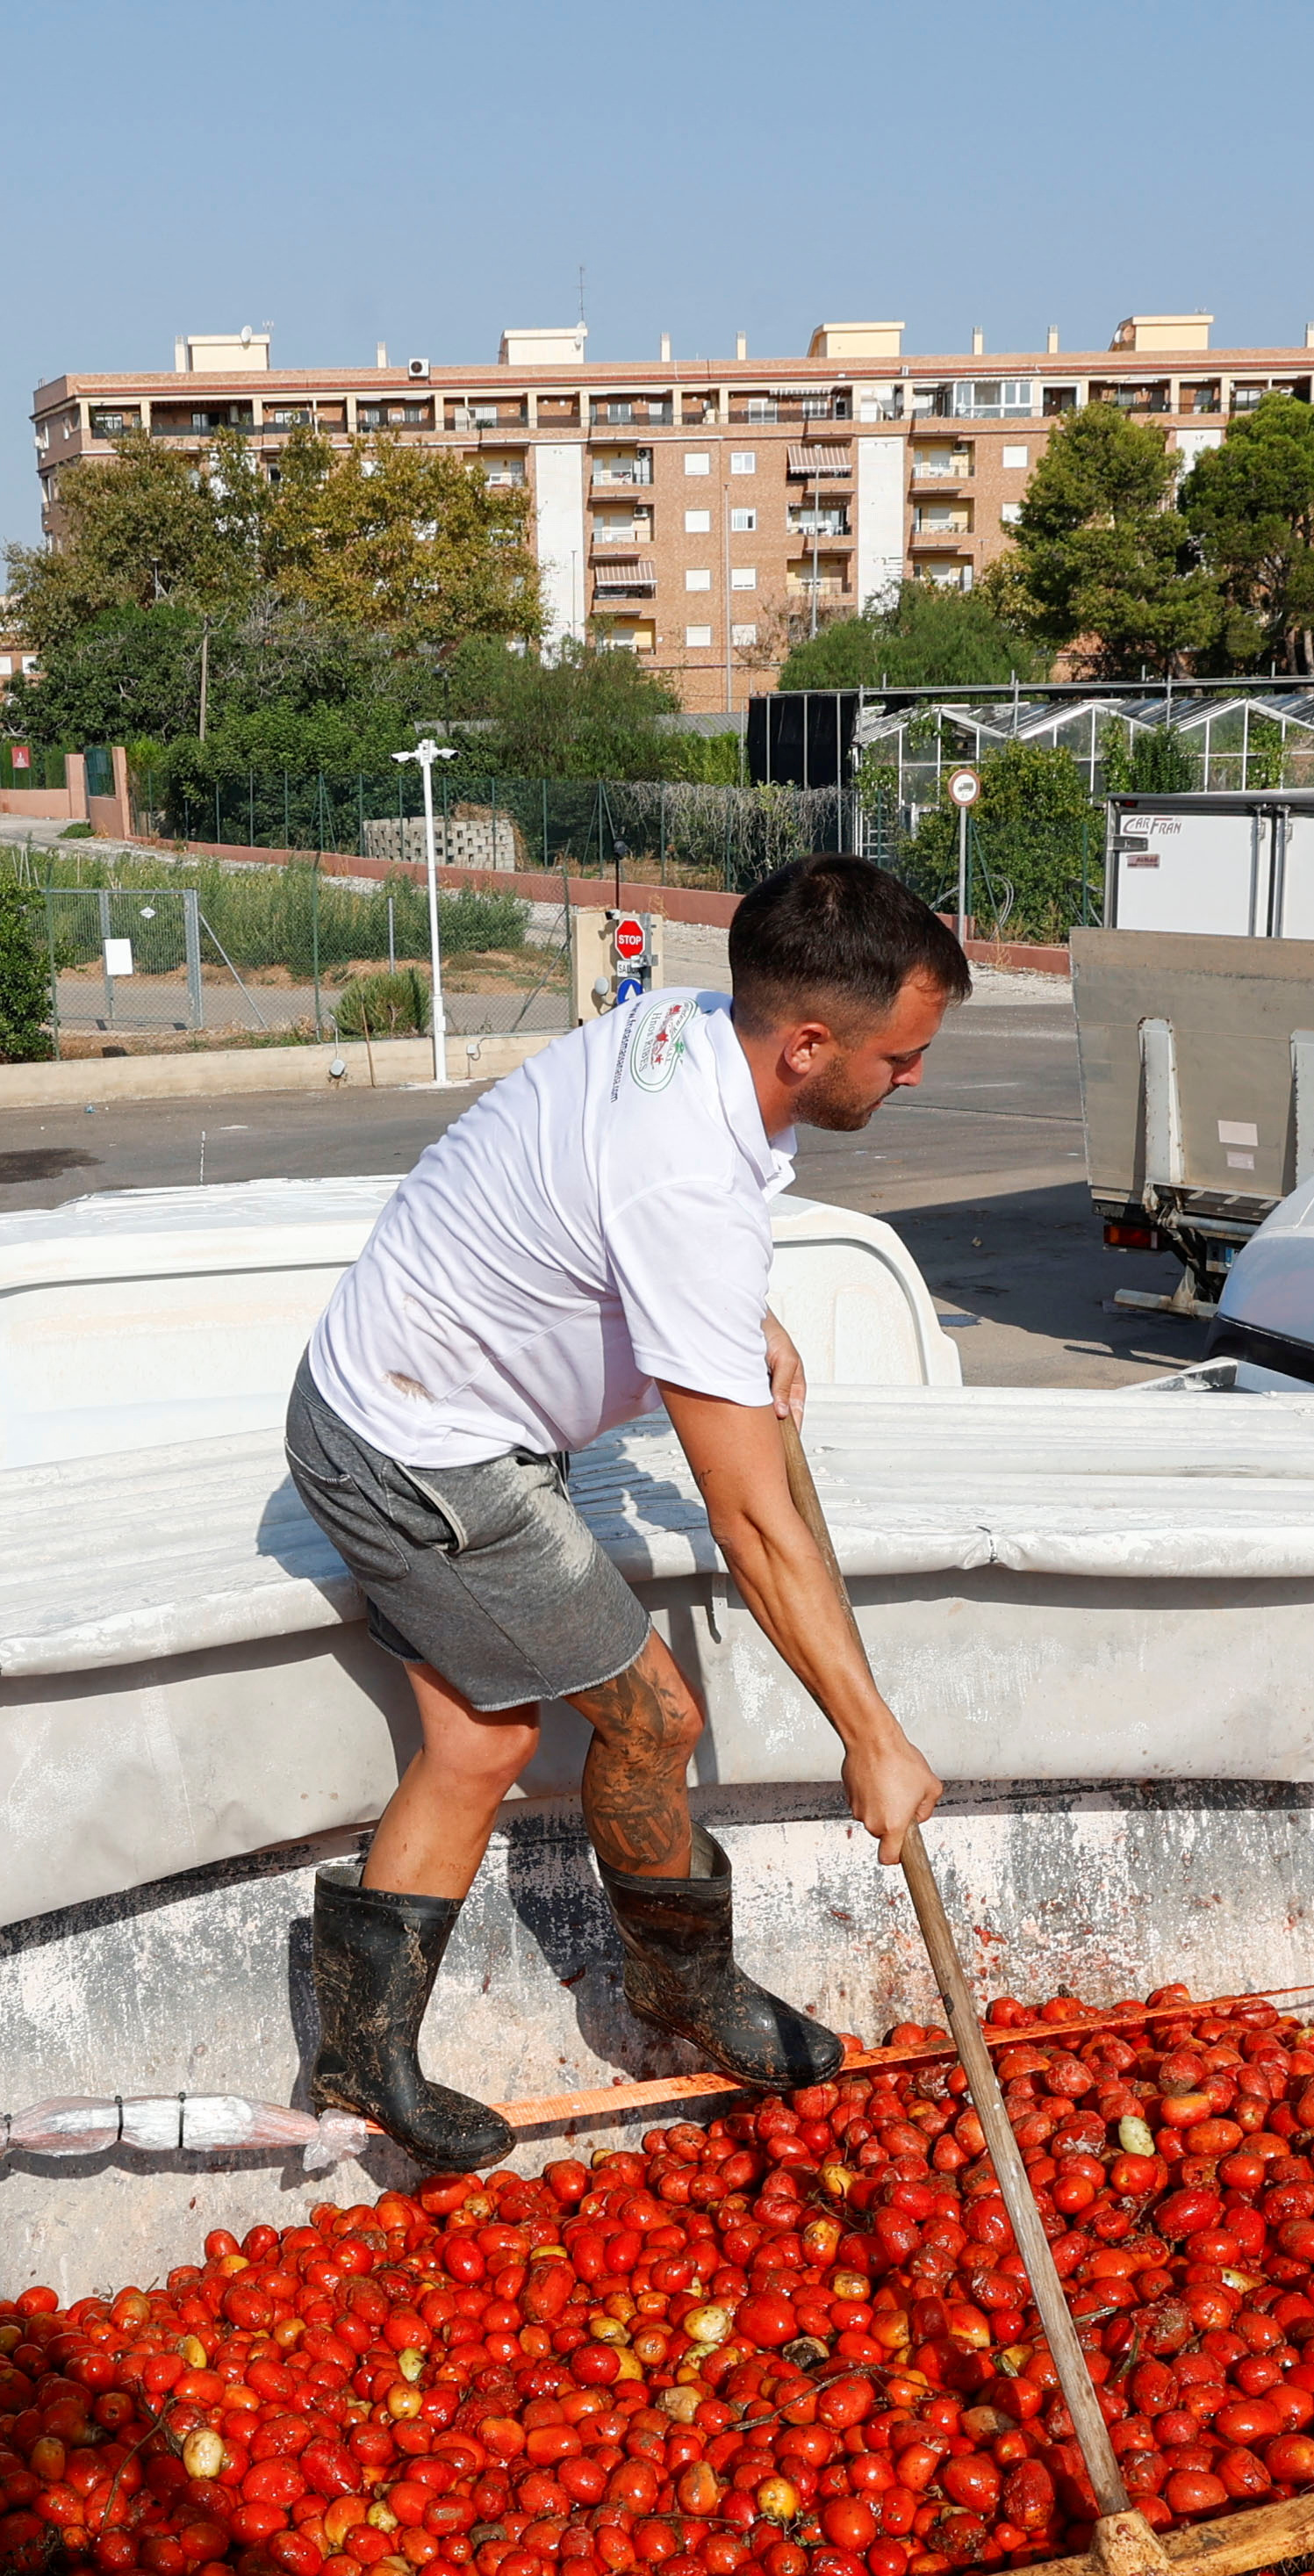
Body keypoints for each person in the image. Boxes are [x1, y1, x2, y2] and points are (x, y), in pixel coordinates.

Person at [284, 853, 971, 2169]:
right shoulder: (686, 1180)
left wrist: (729, 1315)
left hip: (397, 1388)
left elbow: (604, 1208)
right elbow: (756, 1524)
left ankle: (361, 2050)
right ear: (811, 1042)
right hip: (418, 1447)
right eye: (902, 1058)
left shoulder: (692, 1031)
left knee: (482, 1747)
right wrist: (875, 1739)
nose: (915, 1079)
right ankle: (677, 1989)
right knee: (655, 1713)